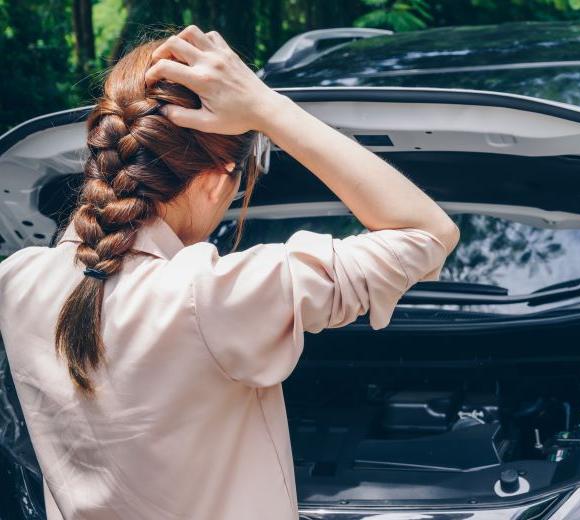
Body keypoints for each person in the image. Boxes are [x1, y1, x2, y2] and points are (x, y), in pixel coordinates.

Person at [0, 25, 459, 519]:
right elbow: (428, 233)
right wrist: (268, 107)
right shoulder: (210, 297)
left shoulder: (18, 281)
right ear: (221, 181)